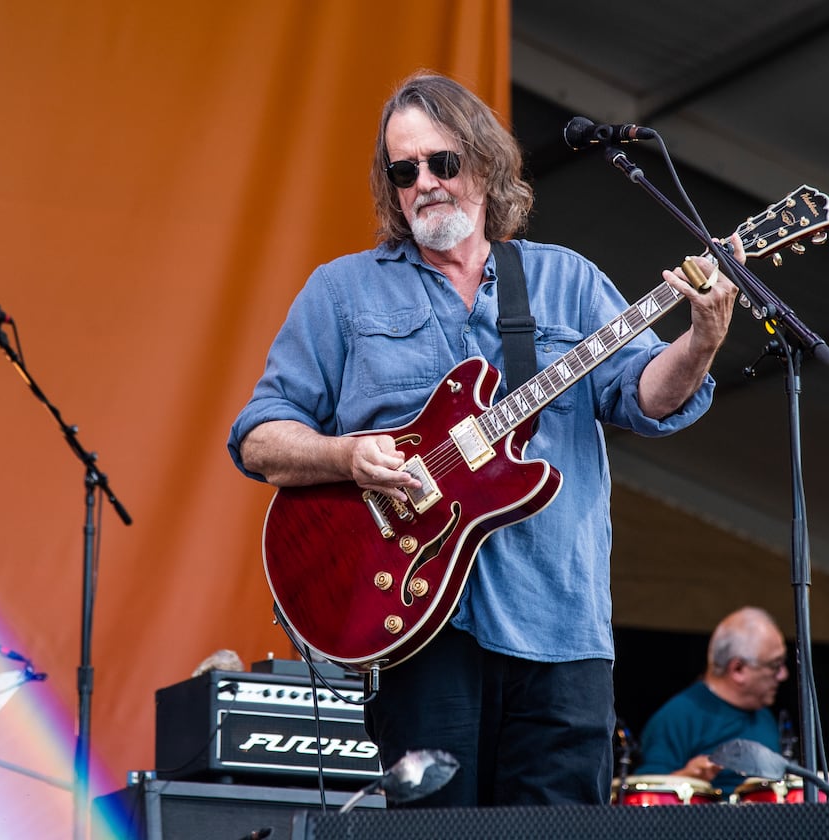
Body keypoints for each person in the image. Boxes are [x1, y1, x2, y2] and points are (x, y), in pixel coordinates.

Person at [227, 71, 742, 808]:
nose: (426, 184)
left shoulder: (567, 282)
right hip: (418, 625)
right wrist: (347, 455)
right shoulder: (342, 293)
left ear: (487, 163)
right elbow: (259, 438)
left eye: (443, 162)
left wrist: (700, 341)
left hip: (561, 627)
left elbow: (643, 396)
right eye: (404, 171)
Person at [634, 606, 789, 796]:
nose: (783, 675)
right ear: (738, 669)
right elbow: (644, 802)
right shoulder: (676, 718)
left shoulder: (764, 716)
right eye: (775, 665)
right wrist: (685, 779)